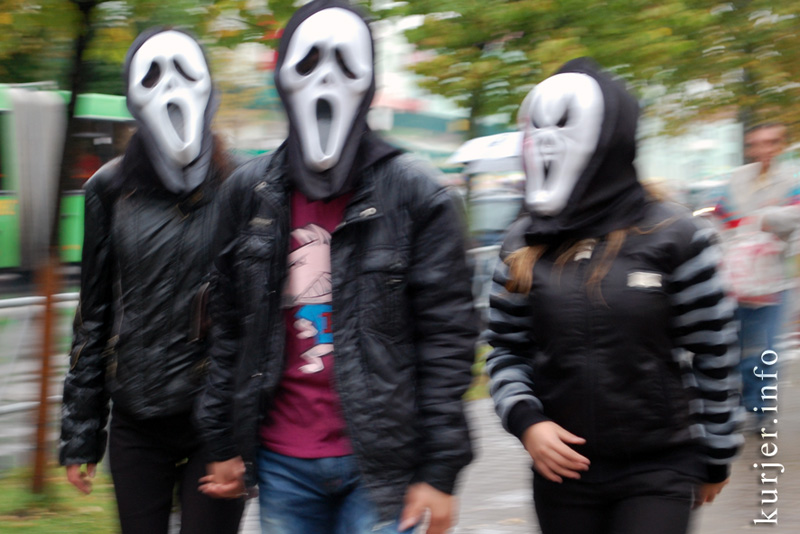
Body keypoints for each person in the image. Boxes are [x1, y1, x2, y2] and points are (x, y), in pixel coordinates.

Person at [194, 2, 478, 533]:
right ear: (282, 78)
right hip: (283, 462)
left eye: (345, 64)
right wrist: (221, 440)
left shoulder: (419, 195)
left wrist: (439, 470)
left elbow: (448, 342)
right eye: (307, 63)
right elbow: (229, 329)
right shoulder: (248, 193)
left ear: (370, 82)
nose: (325, 79)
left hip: (382, 467)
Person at [485, 58, 743, 534]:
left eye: (564, 125)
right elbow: (505, 348)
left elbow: (714, 350)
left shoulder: (677, 234)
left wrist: (717, 453)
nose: (546, 141)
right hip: (563, 470)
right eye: (536, 128)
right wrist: (527, 421)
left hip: (659, 466)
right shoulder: (521, 243)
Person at [59, 27, 244, 534]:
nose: (171, 89)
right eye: (153, 76)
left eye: (186, 73)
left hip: (214, 422)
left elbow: (257, 314)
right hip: (137, 420)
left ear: (209, 89)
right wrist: (80, 434)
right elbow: (93, 315)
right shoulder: (109, 189)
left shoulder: (242, 186)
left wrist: (242, 430)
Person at [715, 122, 800, 426]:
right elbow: (721, 219)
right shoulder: (738, 178)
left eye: (772, 142)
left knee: (768, 349)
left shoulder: (790, 180)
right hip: (737, 280)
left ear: (781, 145)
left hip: (773, 282)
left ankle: (759, 407)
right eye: (758, 144)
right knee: (737, 347)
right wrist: (730, 253)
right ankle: (743, 402)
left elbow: (795, 218)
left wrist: (764, 217)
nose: (765, 150)